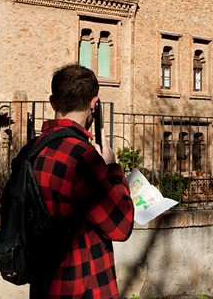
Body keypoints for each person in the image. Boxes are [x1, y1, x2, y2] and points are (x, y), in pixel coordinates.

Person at [29, 63, 134, 299]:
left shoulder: (31, 152)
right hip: (84, 287)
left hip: (44, 285)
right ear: (94, 104)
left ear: (53, 102)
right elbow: (121, 226)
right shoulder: (82, 159)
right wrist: (112, 169)